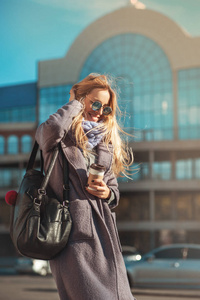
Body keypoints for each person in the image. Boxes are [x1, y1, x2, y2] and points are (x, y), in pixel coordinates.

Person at [35, 73, 136, 300]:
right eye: (95, 103)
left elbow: (114, 190)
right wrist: (74, 103)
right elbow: (50, 130)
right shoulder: (59, 138)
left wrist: (108, 192)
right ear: (82, 100)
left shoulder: (105, 145)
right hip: (72, 235)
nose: (100, 111)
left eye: (106, 108)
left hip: (106, 236)